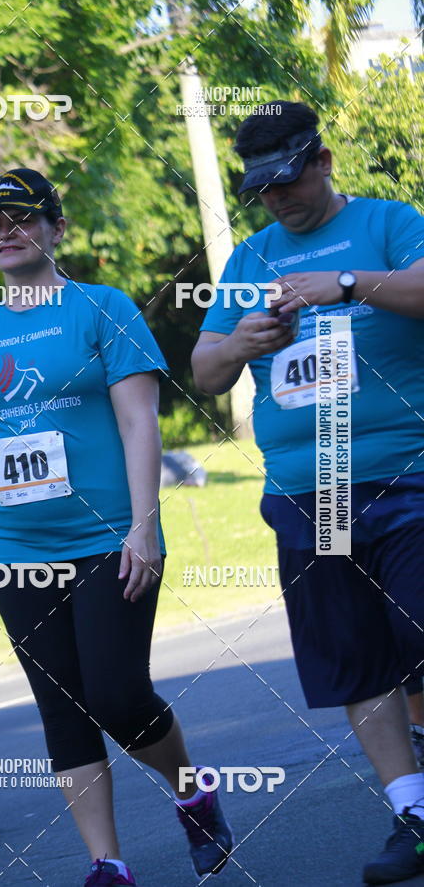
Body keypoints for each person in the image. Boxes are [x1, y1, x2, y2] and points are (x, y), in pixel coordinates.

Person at [0, 168, 233, 886]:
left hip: (107, 539)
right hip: (12, 549)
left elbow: (139, 422)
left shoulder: (103, 308)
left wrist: (144, 526)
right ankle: (107, 863)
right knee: (62, 710)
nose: (5, 233)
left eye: (22, 219)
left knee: (118, 698)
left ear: (56, 229)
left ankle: (191, 791)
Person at [191, 101, 424, 885]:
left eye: (289, 179)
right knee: (359, 659)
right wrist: (242, 341)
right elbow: (205, 369)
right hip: (310, 493)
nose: (277, 198)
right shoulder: (249, 260)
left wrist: (349, 283)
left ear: (323, 161)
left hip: (406, 474)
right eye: (262, 188)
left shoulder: (389, 222)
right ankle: (413, 812)